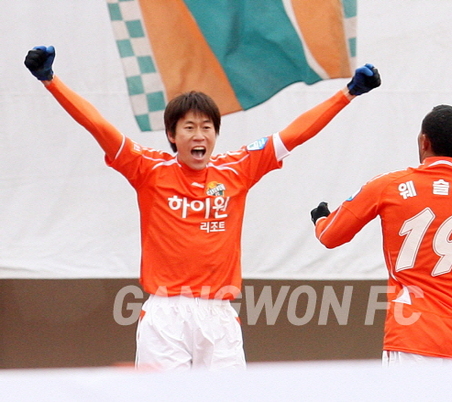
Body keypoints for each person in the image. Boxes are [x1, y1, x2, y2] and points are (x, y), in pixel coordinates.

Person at [24, 45, 381, 370]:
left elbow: (296, 133)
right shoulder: (148, 169)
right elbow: (98, 126)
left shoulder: (238, 168)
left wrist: (348, 93)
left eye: (207, 127)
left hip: (219, 314)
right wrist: (51, 81)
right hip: (166, 315)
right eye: (189, 127)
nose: (199, 135)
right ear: (172, 135)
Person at [310, 104, 452, 365]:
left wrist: (321, 219)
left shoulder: (388, 185)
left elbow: (330, 236)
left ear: (424, 141)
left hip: (410, 336)